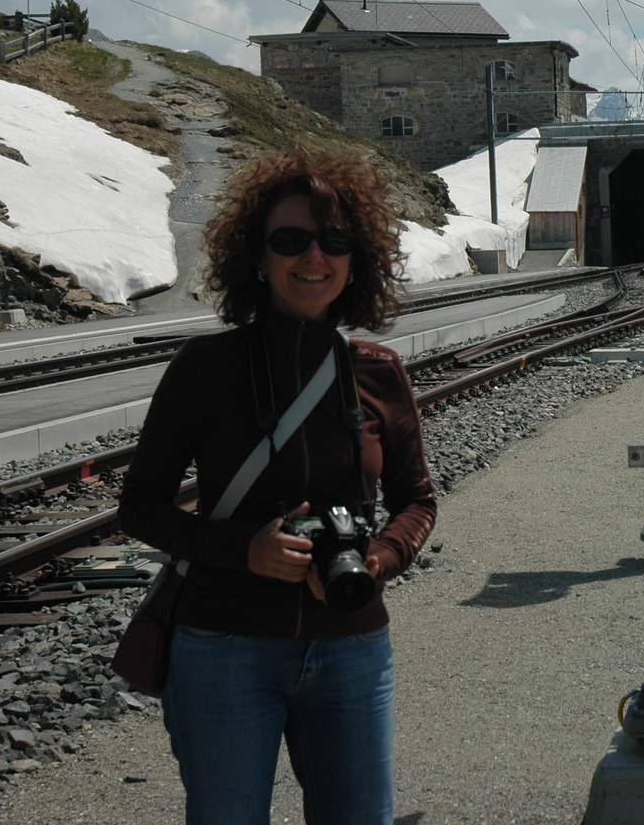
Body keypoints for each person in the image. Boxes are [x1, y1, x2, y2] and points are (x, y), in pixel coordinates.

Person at [119, 149, 436, 825]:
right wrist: (244, 551)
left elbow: (417, 502)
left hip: (352, 652)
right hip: (224, 651)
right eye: (290, 240)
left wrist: (375, 561)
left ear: (357, 259)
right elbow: (140, 505)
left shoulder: (376, 371)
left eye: (334, 241)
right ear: (256, 257)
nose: (312, 257)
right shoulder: (204, 369)